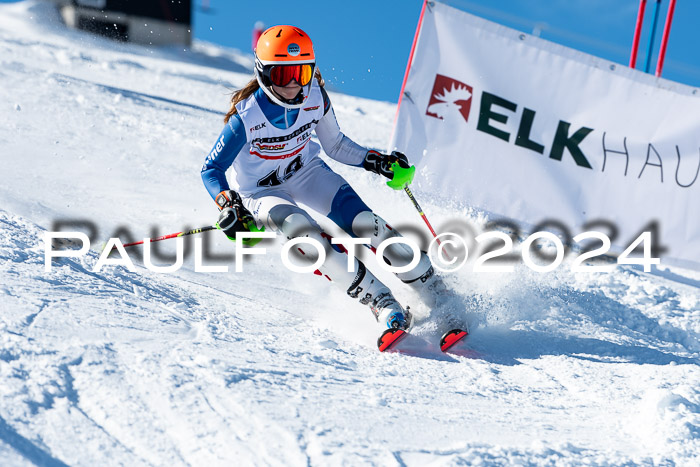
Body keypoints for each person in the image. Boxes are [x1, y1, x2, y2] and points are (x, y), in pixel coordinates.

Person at [201, 25, 444, 331]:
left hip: (306, 172)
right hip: (262, 193)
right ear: (263, 75)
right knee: (307, 239)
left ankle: (437, 292)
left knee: (366, 224)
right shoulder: (247, 117)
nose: (293, 86)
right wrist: (228, 203)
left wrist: (377, 161)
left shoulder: (316, 97)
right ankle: (382, 303)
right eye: (282, 76)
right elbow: (211, 169)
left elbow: (336, 145)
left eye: (300, 74)